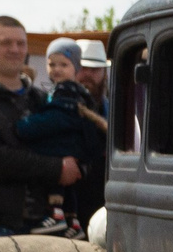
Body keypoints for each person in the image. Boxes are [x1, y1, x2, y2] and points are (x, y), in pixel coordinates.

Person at [0, 16, 78, 240]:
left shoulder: (41, 100)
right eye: (6, 43)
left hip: (48, 222)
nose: (15, 49)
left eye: (21, 43)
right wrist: (57, 167)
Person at [16, 37, 108, 230]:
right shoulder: (52, 98)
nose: (88, 75)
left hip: (98, 198)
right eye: (84, 68)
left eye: (95, 69)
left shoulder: (113, 109)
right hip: (63, 185)